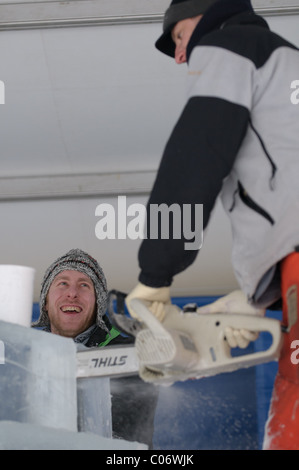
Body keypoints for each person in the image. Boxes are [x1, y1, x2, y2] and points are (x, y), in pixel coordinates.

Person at [125, 0, 299, 450]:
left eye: (180, 38)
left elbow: (197, 155)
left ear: (206, 16)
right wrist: (261, 298)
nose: (181, 56)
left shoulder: (230, 45)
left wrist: (155, 273)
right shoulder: (285, 61)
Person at [32, 248, 159, 448]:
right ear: (46, 302)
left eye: (84, 285)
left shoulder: (130, 353)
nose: (72, 293)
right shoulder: (26, 354)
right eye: (62, 283)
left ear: (98, 304)